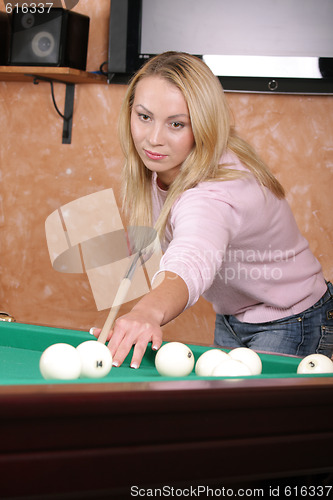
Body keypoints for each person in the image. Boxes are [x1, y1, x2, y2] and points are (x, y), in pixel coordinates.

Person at [94, 51, 333, 368]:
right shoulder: (168, 165)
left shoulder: (213, 193)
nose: (153, 139)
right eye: (144, 116)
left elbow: (193, 255)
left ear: (204, 126)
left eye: (177, 124)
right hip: (233, 317)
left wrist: (147, 312)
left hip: (294, 319)